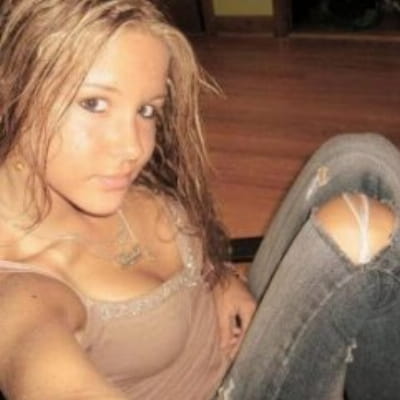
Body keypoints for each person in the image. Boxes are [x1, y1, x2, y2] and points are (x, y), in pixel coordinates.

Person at [0, 1, 399, 400]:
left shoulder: (82, 178)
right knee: (362, 230)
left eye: (147, 110)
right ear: (9, 87)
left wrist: (218, 277)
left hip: (240, 329)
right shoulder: (21, 294)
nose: (133, 147)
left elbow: (190, 248)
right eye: (94, 103)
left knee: (358, 158)